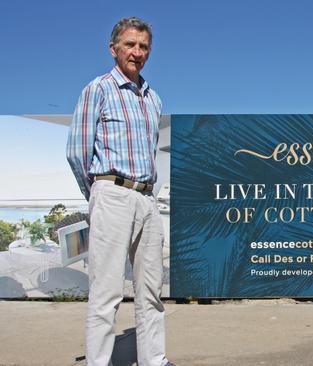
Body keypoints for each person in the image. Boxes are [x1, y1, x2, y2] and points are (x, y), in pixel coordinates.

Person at [67, 17, 174, 365]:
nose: (137, 52)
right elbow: (77, 151)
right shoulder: (97, 89)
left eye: (143, 46)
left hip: (146, 197)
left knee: (151, 292)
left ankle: (153, 361)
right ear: (113, 48)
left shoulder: (153, 98)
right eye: (130, 44)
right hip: (111, 191)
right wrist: (98, 193)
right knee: (106, 292)